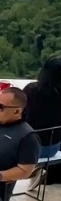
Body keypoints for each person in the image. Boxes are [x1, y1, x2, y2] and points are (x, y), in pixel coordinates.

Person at [24, 56, 61, 186]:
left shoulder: (31, 90)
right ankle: (52, 175)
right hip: (52, 148)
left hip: (28, 149)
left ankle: (35, 171)